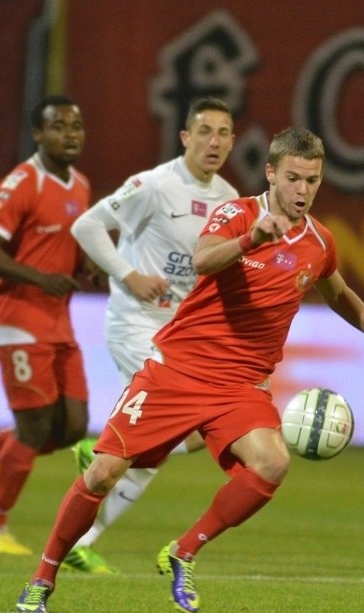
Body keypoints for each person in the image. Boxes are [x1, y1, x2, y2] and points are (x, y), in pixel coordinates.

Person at [15, 126, 364, 613]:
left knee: (272, 464)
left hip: (241, 386)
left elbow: (341, 298)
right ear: (271, 173)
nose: (302, 190)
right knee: (104, 472)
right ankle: (42, 577)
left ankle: (183, 551)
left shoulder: (319, 242)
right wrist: (252, 238)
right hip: (178, 372)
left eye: (312, 180)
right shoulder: (237, 214)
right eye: (293, 178)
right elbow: (203, 259)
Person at [61, 97, 238, 574]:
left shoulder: (229, 200)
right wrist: (127, 274)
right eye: (204, 131)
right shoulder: (154, 186)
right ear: (185, 137)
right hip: (137, 324)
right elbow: (88, 225)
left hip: (182, 338)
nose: (214, 141)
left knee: (184, 438)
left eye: (223, 132)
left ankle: (87, 536)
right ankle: (98, 464)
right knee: (161, 433)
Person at [0, 95, 91, 556]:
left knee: (72, 426)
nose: (69, 134)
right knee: (33, 427)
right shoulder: (23, 182)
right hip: (16, 318)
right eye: (58, 126)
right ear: (38, 134)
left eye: (76, 126)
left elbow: (61, 246)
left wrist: (86, 265)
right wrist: (39, 278)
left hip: (57, 321)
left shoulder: (80, 186)